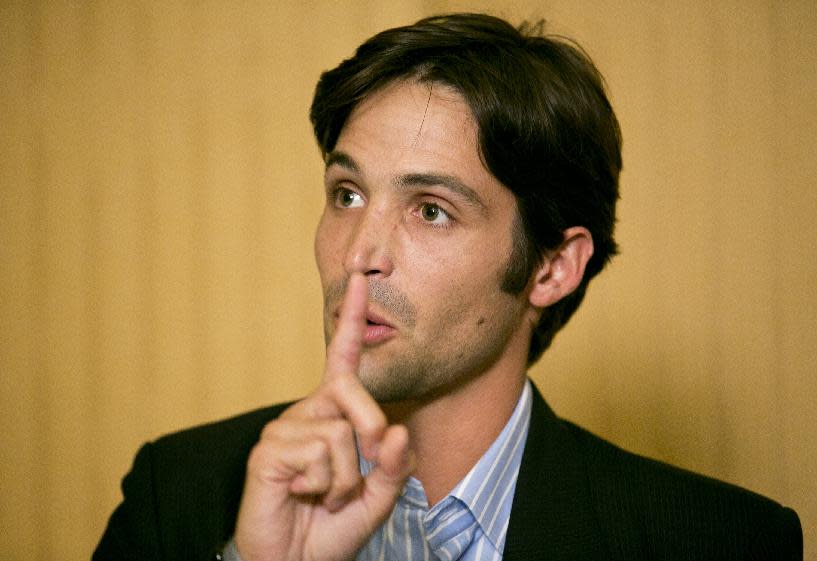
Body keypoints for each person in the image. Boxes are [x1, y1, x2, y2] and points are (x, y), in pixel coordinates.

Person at [93, 13, 802, 561]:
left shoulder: (717, 539)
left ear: (551, 267)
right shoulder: (179, 495)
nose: (358, 255)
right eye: (345, 194)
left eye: (430, 210)